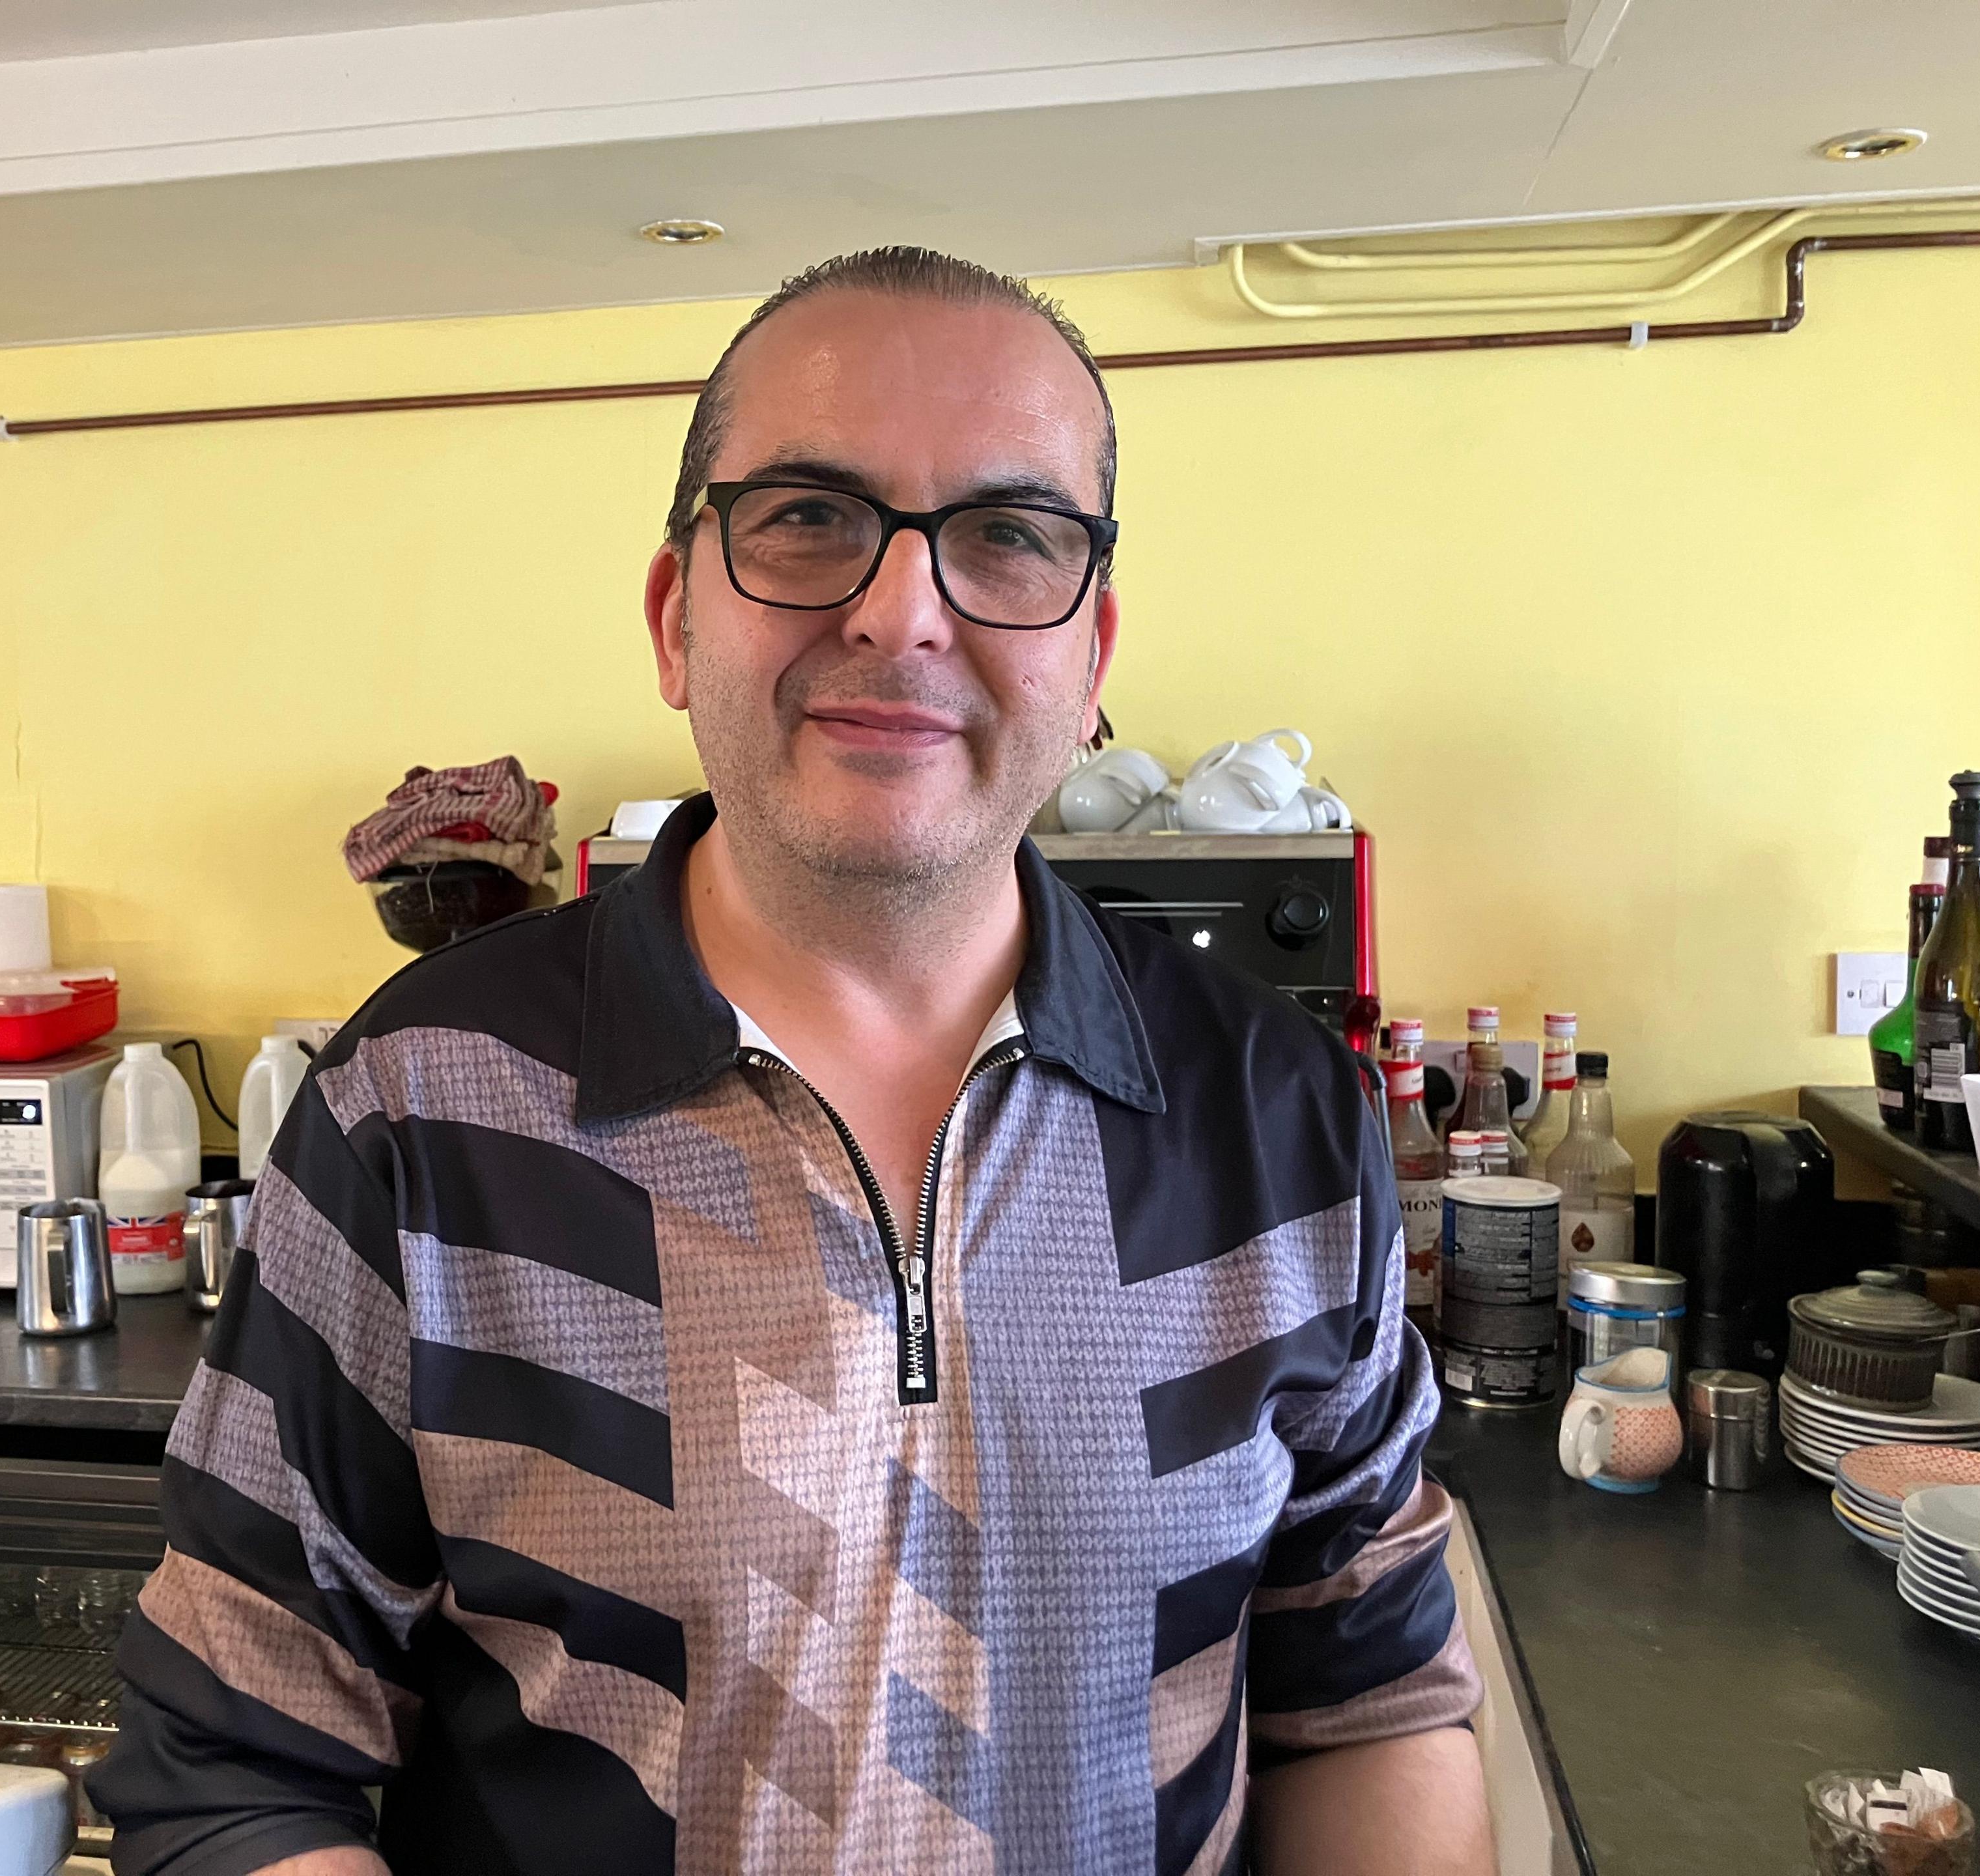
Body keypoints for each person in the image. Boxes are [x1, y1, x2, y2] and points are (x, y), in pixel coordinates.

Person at [94, 246, 1492, 1876]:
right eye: (810, 519)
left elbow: (1370, 1703)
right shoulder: (419, 1112)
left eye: (1010, 536)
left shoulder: (1282, 1121)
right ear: (677, 616)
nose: (903, 613)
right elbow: (237, 1769)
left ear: (1092, 653)